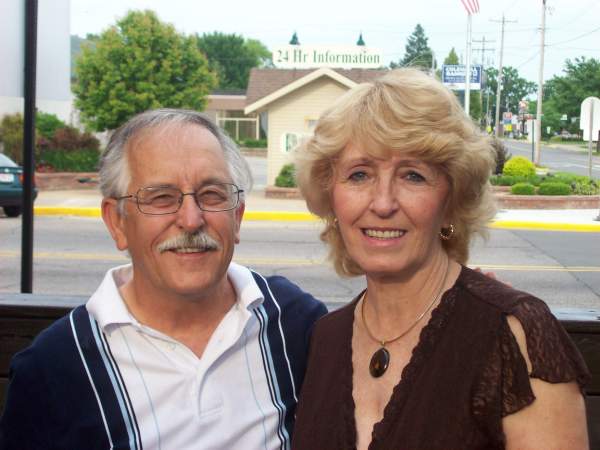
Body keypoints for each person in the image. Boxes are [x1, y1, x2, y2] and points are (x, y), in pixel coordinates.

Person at [292, 69, 590, 450]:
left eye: (413, 176)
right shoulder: (325, 338)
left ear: (452, 199)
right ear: (330, 198)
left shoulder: (511, 337)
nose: (383, 203)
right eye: (360, 174)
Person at [0, 109, 326, 449]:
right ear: (117, 222)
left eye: (212, 194)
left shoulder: (294, 323)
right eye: (160, 198)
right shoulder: (53, 370)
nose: (191, 219)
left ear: (237, 217)